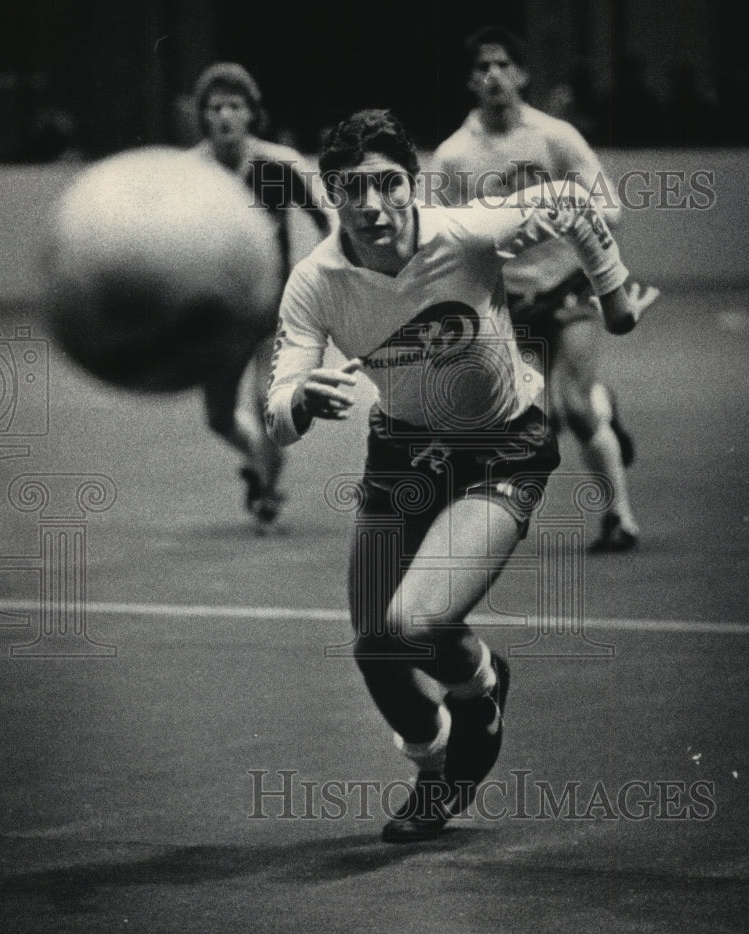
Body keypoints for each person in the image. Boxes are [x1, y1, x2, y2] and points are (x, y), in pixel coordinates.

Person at [265, 109, 657, 842]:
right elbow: (277, 408)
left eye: (386, 184)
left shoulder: (465, 232)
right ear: (333, 194)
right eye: (352, 190)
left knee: (414, 624)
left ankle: (477, 692)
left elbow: (572, 203)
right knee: (376, 650)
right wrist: (299, 401)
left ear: (411, 184)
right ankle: (433, 764)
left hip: (499, 451)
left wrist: (613, 299)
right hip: (400, 458)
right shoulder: (314, 281)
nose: (372, 205)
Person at [432, 26, 653, 552]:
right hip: (508, 300)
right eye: (482, 68)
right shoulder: (454, 156)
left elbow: (611, 208)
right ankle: (602, 404)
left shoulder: (555, 137)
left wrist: (554, 215)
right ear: (469, 80)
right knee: (535, 419)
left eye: (503, 65)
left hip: (568, 285)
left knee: (573, 406)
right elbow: (441, 236)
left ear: (522, 74)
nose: (493, 76)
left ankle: (620, 517)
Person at [190, 63, 331, 528]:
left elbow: (327, 223)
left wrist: (329, 277)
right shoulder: (189, 174)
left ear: (252, 114)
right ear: (203, 116)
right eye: (216, 107)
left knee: (267, 405)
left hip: (274, 309)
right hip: (218, 318)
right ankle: (257, 463)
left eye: (236, 106)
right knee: (217, 418)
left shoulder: (280, 165)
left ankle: (267, 491)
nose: (226, 115)